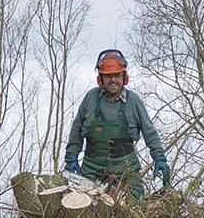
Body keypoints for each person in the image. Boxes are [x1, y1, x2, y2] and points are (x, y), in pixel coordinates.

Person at [64, 49, 170, 198]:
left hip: (126, 167)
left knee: (135, 202)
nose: (113, 80)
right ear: (100, 79)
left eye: (117, 75)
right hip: (92, 168)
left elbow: (149, 131)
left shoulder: (134, 101)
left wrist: (159, 157)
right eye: (108, 76)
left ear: (124, 77)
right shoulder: (91, 98)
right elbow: (76, 130)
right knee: (82, 204)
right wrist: (71, 157)